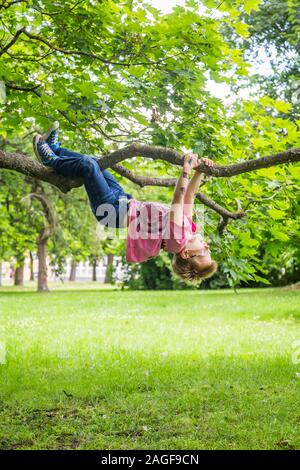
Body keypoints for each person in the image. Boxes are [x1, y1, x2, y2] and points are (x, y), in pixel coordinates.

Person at [33, 122, 218, 283]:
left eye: (203, 253)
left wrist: (186, 168)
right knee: (96, 162)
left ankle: (51, 160)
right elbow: (190, 196)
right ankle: (55, 149)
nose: (207, 246)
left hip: (113, 211)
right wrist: (201, 171)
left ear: (186, 254)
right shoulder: (188, 230)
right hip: (123, 201)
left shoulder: (178, 240)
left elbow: (179, 197)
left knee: (88, 166)